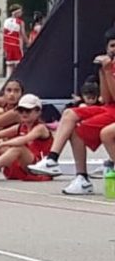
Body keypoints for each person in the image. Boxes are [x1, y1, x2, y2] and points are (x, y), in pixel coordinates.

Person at [26, 30, 115, 193]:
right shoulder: (108, 66)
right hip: (110, 108)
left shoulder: (110, 67)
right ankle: (55, 161)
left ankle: (82, 175)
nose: (114, 49)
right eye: (112, 46)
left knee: (82, 130)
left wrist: (108, 71)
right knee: (69, 115)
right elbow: (107, 99)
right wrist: (103, 73)